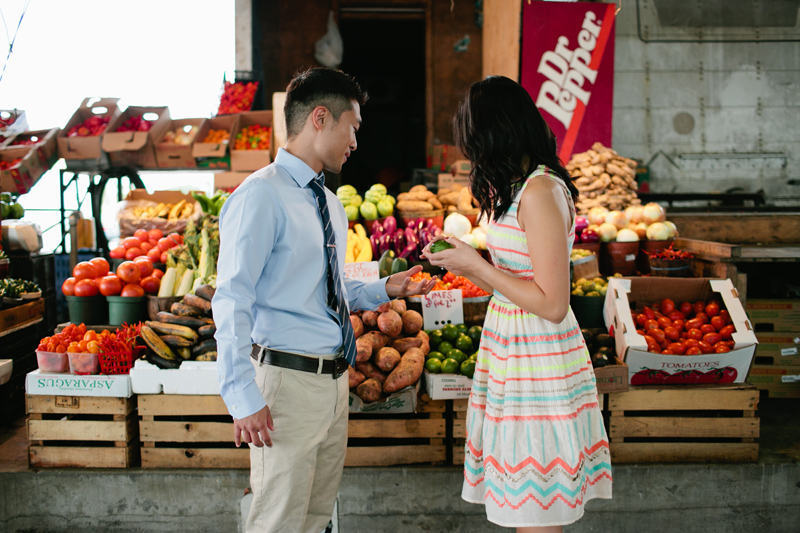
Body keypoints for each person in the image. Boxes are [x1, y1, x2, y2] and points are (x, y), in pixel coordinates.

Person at [213, 67, 437, 533]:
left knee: (316, 519)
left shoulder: (329, 202)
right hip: (286, 384)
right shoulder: (261, 196)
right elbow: (232, 298)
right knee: (277, 521)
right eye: (352, 127)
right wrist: (241, 395)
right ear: (320, 118)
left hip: (334, 384)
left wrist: (386, 289)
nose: (356, 142)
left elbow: (327, 290)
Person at [422, 76, 612, 532]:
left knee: (536, 511)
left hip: (539, 358)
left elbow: (552, 304)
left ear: (496, 134)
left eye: (473, 139)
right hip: (512, 349)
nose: (471, 153)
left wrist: (478, 265)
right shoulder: (516, 185)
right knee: (519, 507)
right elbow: (517, 279)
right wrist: (465, 265)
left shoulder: (541, 192)